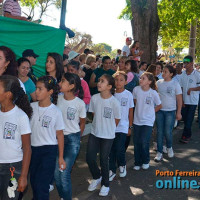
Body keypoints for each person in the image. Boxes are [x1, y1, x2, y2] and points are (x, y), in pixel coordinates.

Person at [30, 76, 66, 200]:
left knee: (42, 185)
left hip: (48, 150)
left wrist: (60, 157)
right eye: (36, 88)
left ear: (50, 92)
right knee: (34, 181)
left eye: (40, 89)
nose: (36, 92)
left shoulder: (56, 111)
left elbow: (60, 134)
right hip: (32, 150)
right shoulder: (31, 108)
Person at [86, 74, 121, 196]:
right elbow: (94, 114)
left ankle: (106, 184)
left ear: (109, 86)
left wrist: (109, 129)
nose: (99, 83)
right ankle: (97, 177)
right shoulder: (94, 98)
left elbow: (117, 119)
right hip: (95, 133)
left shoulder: (114, 102)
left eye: (102, 81)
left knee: (103, 159)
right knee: (89, 158)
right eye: (99, 80)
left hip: (108, 135)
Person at [55, 73, 86, 200]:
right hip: (57, 139)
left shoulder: (79, 103)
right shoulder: (58, 98)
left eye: (63, 81)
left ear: (72, 86)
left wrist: (78, 138)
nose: (60, 83)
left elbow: (83, 122)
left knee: (64, 173)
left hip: (72, 139)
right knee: (56, 173)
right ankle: (63, 196)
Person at [0, 75, 32, 200]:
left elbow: (27, 148)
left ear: (8, 94)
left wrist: (23, 176)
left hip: (13, 168)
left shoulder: (20, 116)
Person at [132, 72, 161, 170]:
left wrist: (151, 112)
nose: (140, 80)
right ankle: (137, 162)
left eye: (143, 78)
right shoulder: (136, 90)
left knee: (144, 141)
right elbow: (135, 100)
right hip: (137, 120)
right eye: (140, 78)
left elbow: (159, 105)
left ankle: (145, 160)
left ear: (149, 82)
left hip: (148, 121)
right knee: (136, 142)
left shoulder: (153, 93)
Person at [109, 71, 134, 181]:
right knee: (110, 149)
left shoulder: (128, 94)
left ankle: (122, 165)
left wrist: (130, 126)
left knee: (119, 147)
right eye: (116, 79)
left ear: (125, 82)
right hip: (110, 127)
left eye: (121, 80)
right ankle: (112, 170)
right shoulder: (110, 94)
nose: (118, 82)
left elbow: (130, 111)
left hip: (123, 126)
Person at [154, 65, 182, 162]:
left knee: (167, 131)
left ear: (171, 74)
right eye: (163, 71)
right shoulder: (158, 83)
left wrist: (178, 112)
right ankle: (159, 152)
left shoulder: (175, 84)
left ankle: (169, 147)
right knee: (159, 131)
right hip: (160, 111)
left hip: (170, 111)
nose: (163, 73)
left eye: (165, 71)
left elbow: (179, 99)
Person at [179, 56, 200, 143]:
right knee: (185, 118)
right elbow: (181, 87)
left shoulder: (197, 74)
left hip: (193, 101)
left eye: (187, 62)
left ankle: (186, 136)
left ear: (191, 63)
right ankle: (188, 134)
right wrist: (181, 100)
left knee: (189, 119)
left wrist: (192, 89)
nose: (185, 64)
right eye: (184, 62)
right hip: (184, 101)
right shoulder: (183, 74)